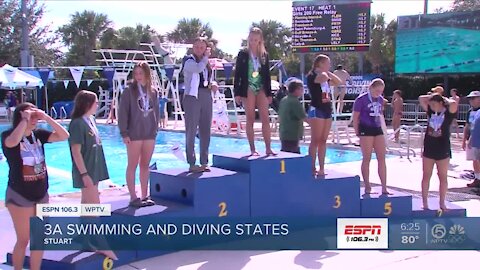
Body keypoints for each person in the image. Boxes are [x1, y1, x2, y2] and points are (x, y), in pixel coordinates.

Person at [1, 103, 69, 270]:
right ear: (21, 117)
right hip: (19, 195)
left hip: (41, 194)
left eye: (35, 117)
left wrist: (45, 117)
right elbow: (12, 143)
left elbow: (64, 135)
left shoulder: (38, 135)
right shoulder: (8, 135)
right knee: (23, 239)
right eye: (31, 117)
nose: (34, 120)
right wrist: (25, 120)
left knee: (39, 239)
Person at [68, 90, 117, 260]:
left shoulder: (91, 120)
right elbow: (76, 151)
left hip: (94, 169)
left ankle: (85, 238)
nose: (97, 105)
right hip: (86, 171)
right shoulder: (77, 124)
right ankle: (99, 241)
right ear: (88, 104)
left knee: (87, 204)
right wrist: (84, 174)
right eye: (95, 102)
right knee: (94, 206)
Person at [118, 62, 159, 207]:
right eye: (136, 73)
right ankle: (133, 197)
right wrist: (124, 132)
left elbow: (156, 112)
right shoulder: (129, 91)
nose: (138, 76)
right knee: (132, 165)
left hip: (149, 133)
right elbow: (122, 113)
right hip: (134, 133)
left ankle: (144, 195)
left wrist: (156, 129)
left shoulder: (153, 92)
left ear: (147, 74)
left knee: (145, 165)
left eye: (141, 73)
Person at [234, 27, 274, 156]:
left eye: (255, 40)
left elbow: (267, 75)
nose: (252, 42)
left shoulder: (264, 55)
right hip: (248, 87)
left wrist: (269, 93)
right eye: (251, 39)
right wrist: (237, 93)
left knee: (265, 118)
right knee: (250, 118)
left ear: (260, 40)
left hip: (261, 86)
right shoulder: (243, 54)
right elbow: (238, 74)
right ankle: (252, 149)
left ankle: (268, 148)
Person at [418, 93, 458, 210]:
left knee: (442, 176)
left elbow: (454, 103)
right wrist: (433, 97)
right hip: (429, 147)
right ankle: (424, 203)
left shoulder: (448, 113)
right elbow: (421, 98)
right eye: (430, 104)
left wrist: (442, 99)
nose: (431, 106)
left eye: (434, 104)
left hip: (443, 147)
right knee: (426, 175)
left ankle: (442, 203)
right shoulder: (430, 111)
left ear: (441, 103)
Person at [182, 37, 215, 172]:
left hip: (206, 95)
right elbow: (197, 69)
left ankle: (204, 161)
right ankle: (191, 162)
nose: (199, 50)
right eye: (196, 47)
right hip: (192, 97)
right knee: (191, 129)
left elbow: (207, 78)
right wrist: (206, 57)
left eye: (202, 47)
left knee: (205, 129)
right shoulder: (188, 60)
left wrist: (213, 84)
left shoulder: (206, 63)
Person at [307, 54, 341, 176]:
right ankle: (311, 166)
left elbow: (338, 82)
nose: (329, 66)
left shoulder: (326, 75)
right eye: (327, 63)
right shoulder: (312, 76)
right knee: (315, 140)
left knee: (323, 140)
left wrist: (329, 73)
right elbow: (321, 78)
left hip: (327, 109)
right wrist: (325, 72)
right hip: (317, 108)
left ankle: (322, 167)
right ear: (320, 64)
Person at [352, 78, 389, 194]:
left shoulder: (380, 99)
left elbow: (379, 115)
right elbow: (355, 117)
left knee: (382, 158)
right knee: (367, 158)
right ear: (371, 88)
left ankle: (384, 187)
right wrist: (357, 132)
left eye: (380, 91)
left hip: (377, 129)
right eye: (377, 91)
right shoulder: (361, 99)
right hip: (365, 129)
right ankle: (367, 186)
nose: (378, 93)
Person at [278, 78, 307, 154]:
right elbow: (303, 117)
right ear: (296, 90)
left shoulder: (284, 100)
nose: (302, 91)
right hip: (292, 134)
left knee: (285, 156)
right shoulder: (295, 101)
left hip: (283, 133)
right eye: (301, 89)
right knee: (294, 156)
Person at [464, 91, 480, 188]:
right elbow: (467, 125)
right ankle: (477, 178)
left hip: (477, 139)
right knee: (474, 159)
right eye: (470, 99)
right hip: (471, 139)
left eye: (473, 98)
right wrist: (464, 139)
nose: (471, 101)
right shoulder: (470, 111)